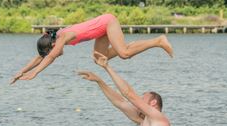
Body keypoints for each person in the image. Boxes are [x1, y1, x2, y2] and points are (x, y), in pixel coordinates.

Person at [10, 13, 174, 84]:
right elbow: (41, 56)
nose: (57, 55)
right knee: (99, 58)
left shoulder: (62, 37)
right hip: (101, 30)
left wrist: (35, 73)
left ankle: (158, 41)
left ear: (52, 45)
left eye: (53, 51)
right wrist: (22, 71)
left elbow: (50, 57)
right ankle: (133, 45)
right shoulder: (56, 38)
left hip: (107, 23)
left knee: (124, 53)